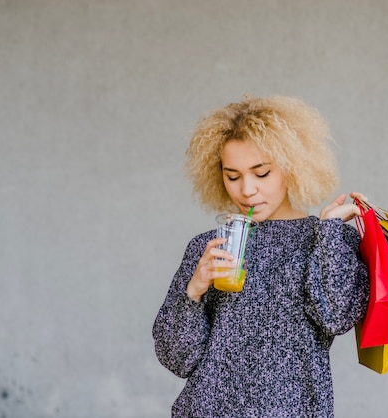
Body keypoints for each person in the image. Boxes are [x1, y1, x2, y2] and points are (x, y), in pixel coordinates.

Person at [152, 95, 370, 417]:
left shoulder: (325, 240)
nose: (247, 190)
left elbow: (336, 318)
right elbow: (178, 359)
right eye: (233, 175)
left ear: (291, 167)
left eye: (262, 172)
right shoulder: (208, 248)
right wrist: (193, 292)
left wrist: (329, 232)